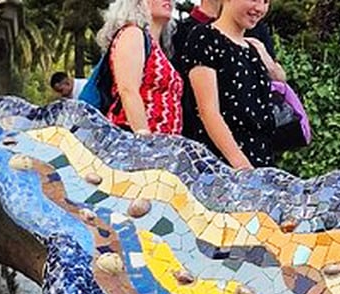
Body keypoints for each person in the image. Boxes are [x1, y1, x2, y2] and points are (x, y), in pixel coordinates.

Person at [178, 0, 285, 169]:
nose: (260, 8)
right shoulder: (205, 37)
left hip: (261, 161)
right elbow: (208, 111)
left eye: (266, 1)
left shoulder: (253, 49)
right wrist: (242, 167)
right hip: (221, 166)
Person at [96, 0, 183, 135]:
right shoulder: (133, 34)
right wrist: (143, 136)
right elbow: (128, 90)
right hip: (135, 139)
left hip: (158, 141)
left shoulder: (157, 47)